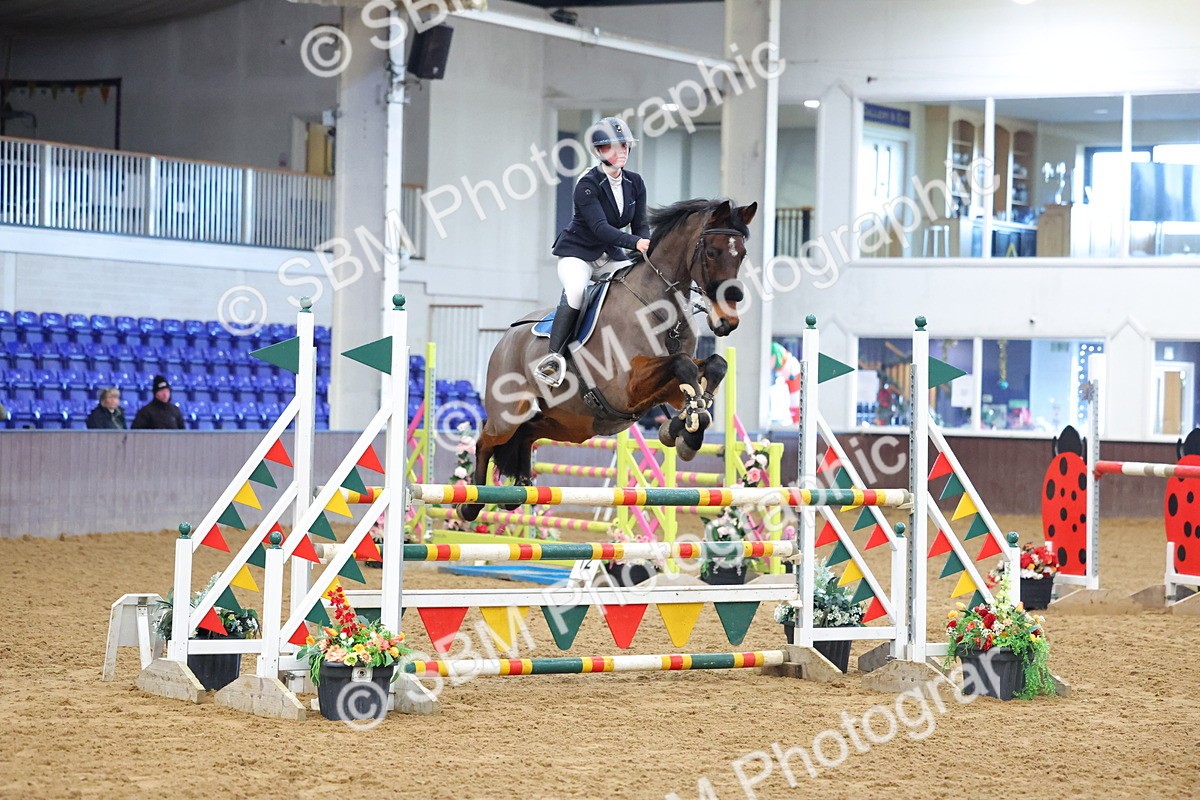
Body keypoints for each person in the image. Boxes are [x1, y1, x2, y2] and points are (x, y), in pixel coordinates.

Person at [537, 116, 651, 387]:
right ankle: (553, 358)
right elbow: (600, 228)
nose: (622, 151)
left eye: (624, 145)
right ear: (600, 152)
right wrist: (636, 243)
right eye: (614, 146)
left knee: (635, 289)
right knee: (577, 292)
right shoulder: (587, 185)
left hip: (611, 256)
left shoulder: (635, 183)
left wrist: (646, 251)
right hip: (578, 255)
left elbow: (641, 225)